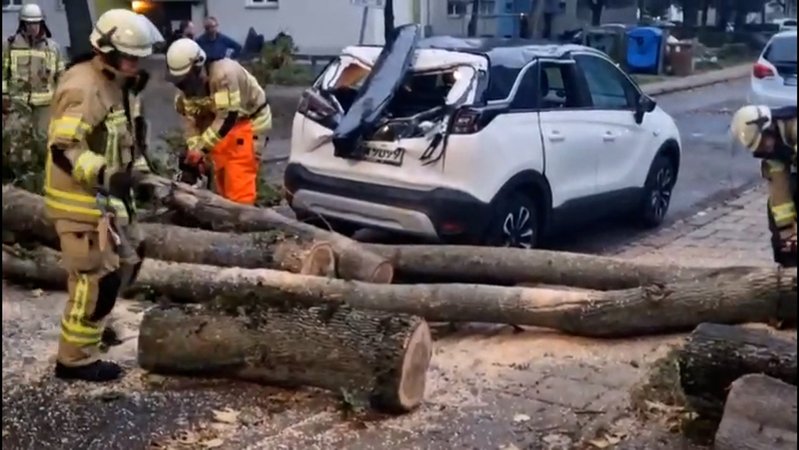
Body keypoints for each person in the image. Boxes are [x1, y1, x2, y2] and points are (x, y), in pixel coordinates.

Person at [45, 8, 157, 382]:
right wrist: (108, 176)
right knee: (95, 279)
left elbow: (126, 141)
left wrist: (142, 178)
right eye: (128, 56)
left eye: (138, 57)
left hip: (109, 199)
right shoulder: (84, 87)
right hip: (80, 201)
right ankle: (74, 360)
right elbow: (64, 148)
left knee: (130, 260)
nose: (135, 63)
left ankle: (94, 326)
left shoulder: (120, 84)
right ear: (106, 50)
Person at [166, 38, 272, 205]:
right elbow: (190, 121)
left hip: (247, 121)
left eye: (187, 80)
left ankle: (242, 214)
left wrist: (201, 149)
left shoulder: (223, 75)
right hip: (220, 125)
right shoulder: (184, 93)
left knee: (238, 181)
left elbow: (228, 117)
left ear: (199, 67)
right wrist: (194, 150)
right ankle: (223, 211)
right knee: (220, 182)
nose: (185, 87)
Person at [730, 104, 797, 267]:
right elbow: (779, 190)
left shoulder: (794, 126)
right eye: (758, 147)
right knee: (775, 207)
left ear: (768, 128)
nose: (764, 148)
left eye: (762, 142)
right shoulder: (772, 149)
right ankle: (790, 266)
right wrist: (787, 233)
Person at [2, 3, 65, 135]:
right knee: (15, 140)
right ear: (23, 24)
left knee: (43, 140)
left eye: (36, 23)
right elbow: (3, 73)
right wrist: (4, 95)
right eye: (29, 24)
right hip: (17, 105)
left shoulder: (53, 48)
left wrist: (61, 101)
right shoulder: (10, 46)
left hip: (45, 106)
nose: (33, 27)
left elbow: (61, 77)